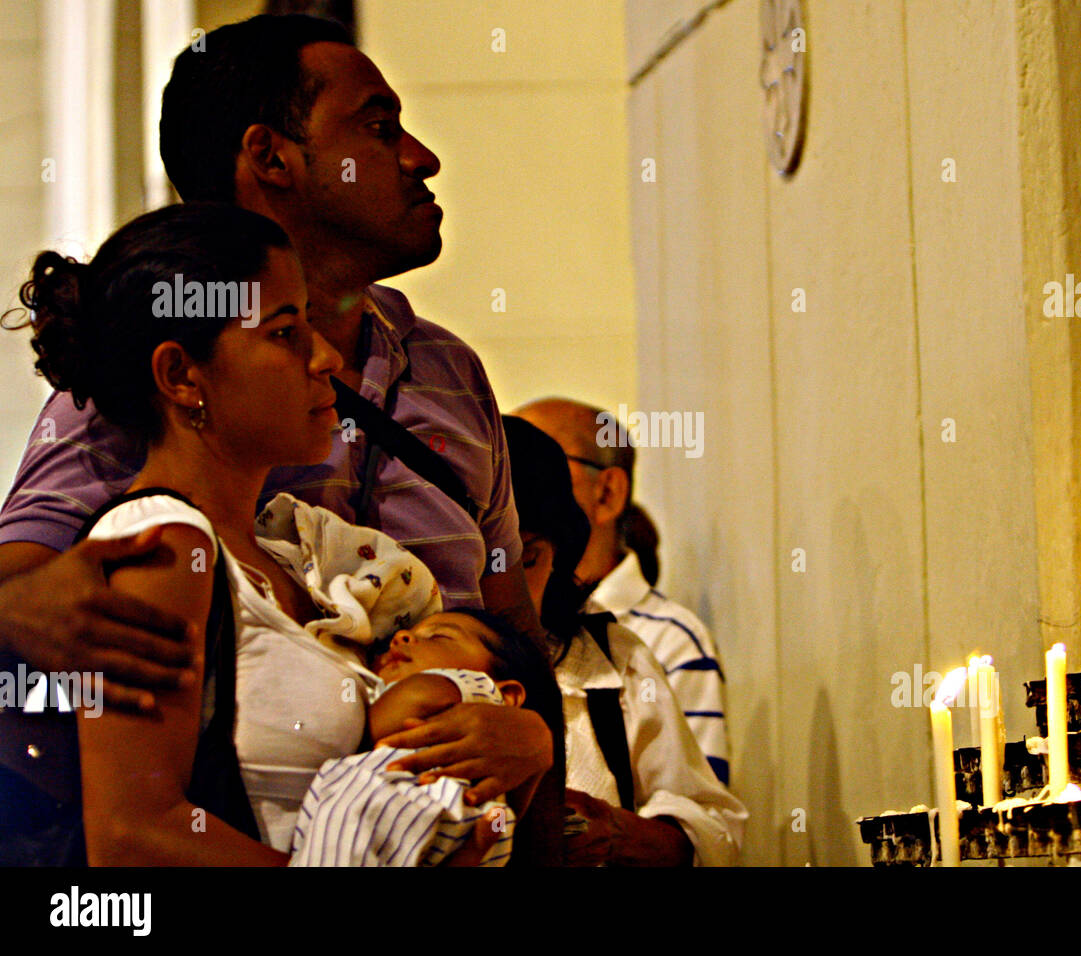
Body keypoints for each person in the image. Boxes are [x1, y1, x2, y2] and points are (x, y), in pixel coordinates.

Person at [0, 14, 559, 860]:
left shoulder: (446, 381)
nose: (421, 157)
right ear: (272, 157)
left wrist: (533, 742)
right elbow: (42, 609)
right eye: (378, 128)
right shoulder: (132, 409)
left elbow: (510, 628)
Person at [502, 416, 746, 866]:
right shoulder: (404, 653)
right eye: (484, 563)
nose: (505, 590)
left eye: (529, 560)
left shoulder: (609, 657)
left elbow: (715, 825)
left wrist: (617, 832)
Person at [290, 609, 552, 867]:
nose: (401, 636)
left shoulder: (476, 688)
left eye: (439, 637)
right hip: (441, 826)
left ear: (506, 696)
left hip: (417, 796)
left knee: (347, 819)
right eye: (387, 642)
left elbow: (406, 707)